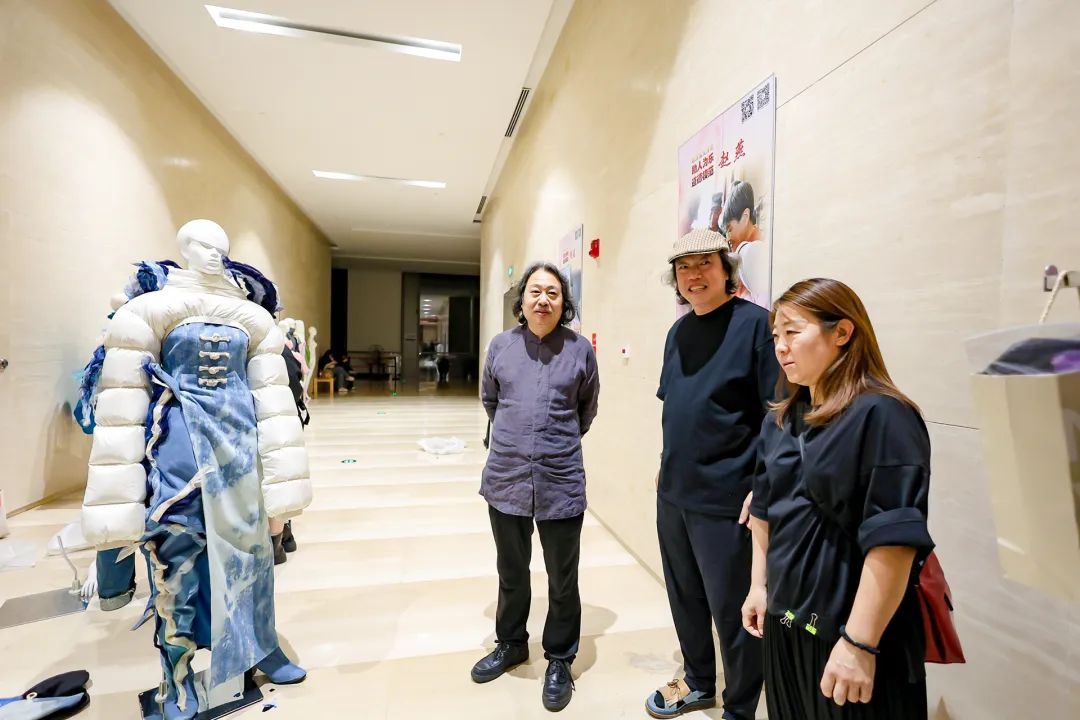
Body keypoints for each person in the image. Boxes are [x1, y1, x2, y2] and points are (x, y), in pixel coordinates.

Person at [742, 278, 934, 719]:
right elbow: (764, 511)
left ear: (843, 332)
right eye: (776, 335)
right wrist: (758, 587)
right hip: (787, 621)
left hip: (850, 634)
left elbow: (894, 541)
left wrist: (859, 644)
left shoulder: (883, 415)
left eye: (793, 332)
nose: (781, 346)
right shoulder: (780, 419)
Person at [646, 229, 777, 720]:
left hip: (728, 500)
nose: (694, 275)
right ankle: (699, 681)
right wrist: (665, 467)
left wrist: (762, 486)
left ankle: (739, 708)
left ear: (727, 270)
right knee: (684, 597)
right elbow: (680, 409)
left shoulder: (758, 326)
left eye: (704, 263)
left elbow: (778, 417)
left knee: (733, 610)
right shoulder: (678, 333)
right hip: (674, 494)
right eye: (684, 267)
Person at [471, 262, 600, 713]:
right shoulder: (501, 346)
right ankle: (511, 643)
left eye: (553, 293)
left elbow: (586, 409)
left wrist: (552, 440)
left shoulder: (580, 350)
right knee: (511, 570)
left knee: (563, 577)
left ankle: (560, 657)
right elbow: (491, 400)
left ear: (564, 304)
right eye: (535, 291)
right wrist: (517, 436)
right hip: (506, 477)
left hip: (560, 479)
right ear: (522, 300)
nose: (543, 300)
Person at [720, 181, 768, 306]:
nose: (728, 238)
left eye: (730, 229)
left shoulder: (754, 254)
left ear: (745, 217)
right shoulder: (742, 252)